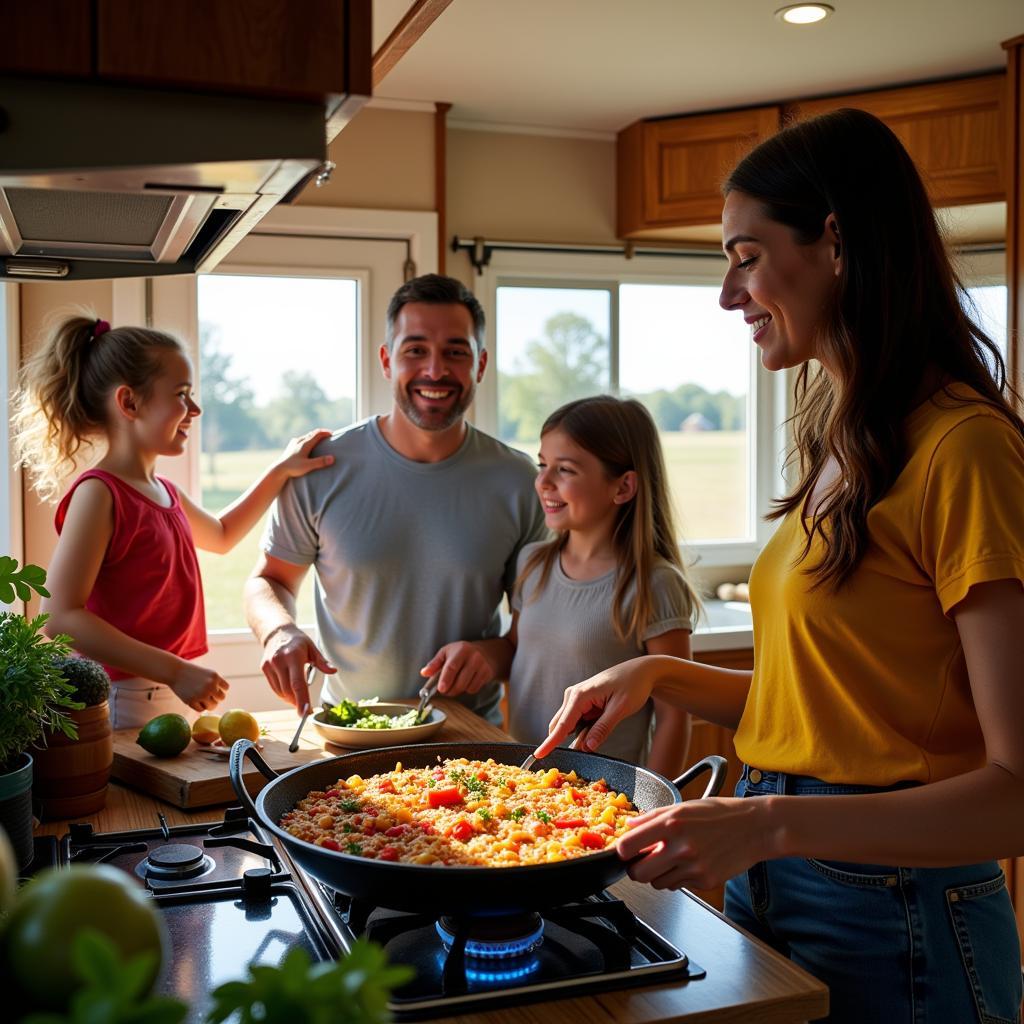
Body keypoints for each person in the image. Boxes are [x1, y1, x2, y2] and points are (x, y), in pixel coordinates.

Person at [536, 108, 1024, 1023]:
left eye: (746, 255)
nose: (729, 294)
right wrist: (657, 672)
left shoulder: (966, 449)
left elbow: (1017, 793)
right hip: (788, 878)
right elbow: (840, 710)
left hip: (895, 910)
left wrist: (766, 824)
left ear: (836, 241)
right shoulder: (850, 443)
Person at [244, 274, 548, 723]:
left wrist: (491, 654)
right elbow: (270, 581)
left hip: (471, 741)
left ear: (480, 365)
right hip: (347, 731)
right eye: (416, 350)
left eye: (455, 353)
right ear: (387, 361)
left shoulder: (520, 480)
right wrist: (278, 631)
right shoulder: (320, 467)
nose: (435, 370)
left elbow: (534, 632)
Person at [12, 315, 333, 728]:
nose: (194, 409)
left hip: (164, 689)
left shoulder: (163, 489)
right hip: (122, 697)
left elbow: (220, 535)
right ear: (128, 403)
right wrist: (176, 670)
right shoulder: (99, 493)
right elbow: (60, 616)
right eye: (182, 395)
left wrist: (280, 471)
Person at [429, 396, 698, 777]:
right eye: (542, 465)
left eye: (566, 470)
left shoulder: (656, 584)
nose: (543, 481)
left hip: (604, 798)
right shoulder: (532, 563)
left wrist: (658, 809)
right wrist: (481, 654)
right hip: (522, 782)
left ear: (623, 487)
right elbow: (517, 650)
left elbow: (675, 717)